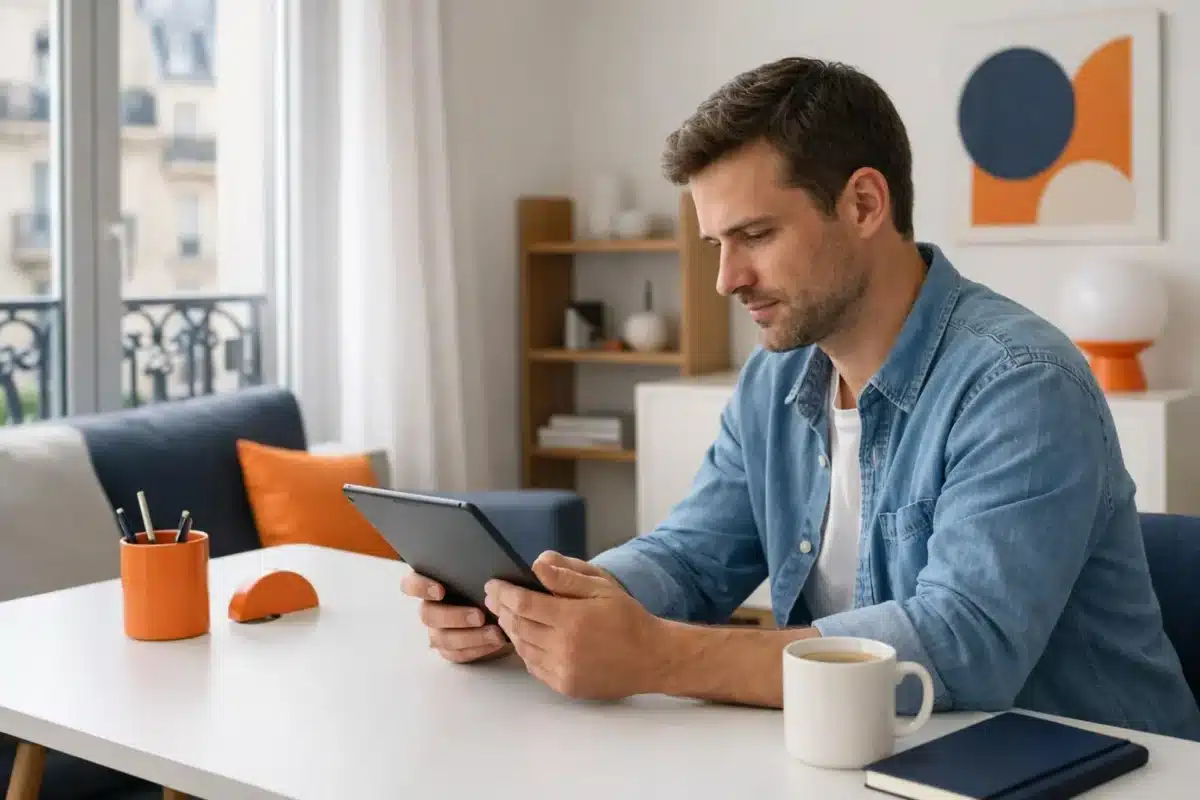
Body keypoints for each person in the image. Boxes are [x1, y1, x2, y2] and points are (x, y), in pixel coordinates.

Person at [401, 56, 1200, 740]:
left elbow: (966, 645)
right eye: (717, 244)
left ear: (864, 204)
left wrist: (658, 657)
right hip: (886, 755)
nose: (726, 279)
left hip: (1097, 766)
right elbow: (691, 556)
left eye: (755, 235)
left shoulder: (1018, 382)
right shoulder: (777, 377)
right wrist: (543, 609)